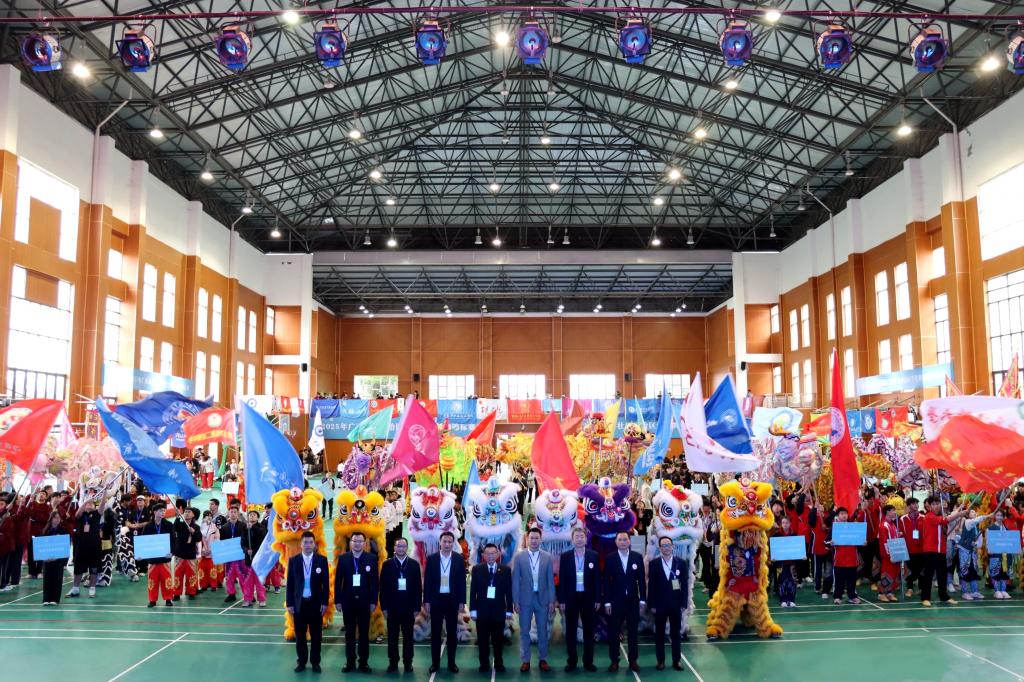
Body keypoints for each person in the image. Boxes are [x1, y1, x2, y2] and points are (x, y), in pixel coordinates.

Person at [511, 527, 555, 672]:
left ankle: (543, 659)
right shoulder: (519, 557)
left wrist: (552, 600)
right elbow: (515, 581)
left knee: (543, 630)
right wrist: (515, 601)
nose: (534, 540)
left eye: (537, 538)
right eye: (532, 538)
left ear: (540, 540)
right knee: (524, 631)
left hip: (542, 599)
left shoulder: (547, 557)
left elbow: (550, 581)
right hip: (525, 600)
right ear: (527, 539)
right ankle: (525, 660)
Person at [335, 531, 379, 673]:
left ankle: (363, 662)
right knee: (349, 633)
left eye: (360, 541)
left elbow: (374, 583)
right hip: (347, 601)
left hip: (365, 602)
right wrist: (338, 600)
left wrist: (373, 601)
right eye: (354, 541)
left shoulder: (371, 558)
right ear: (350, 543)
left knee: (364, 633)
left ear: (364, 543)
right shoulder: (343, 558)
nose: (357, 543)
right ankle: (350, 661)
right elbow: (338, 581)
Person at [557, 527, 600, 673]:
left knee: (589, 630)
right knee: (571, 631)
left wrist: (597, 598)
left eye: (582, 536)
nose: (580, 539)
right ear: (572, 539)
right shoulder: (565, 556)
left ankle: (588, 661)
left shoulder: (594, 555)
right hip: (571, 598)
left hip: (588, 598)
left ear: (586, 539)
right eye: (577, 536)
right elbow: (562, 580)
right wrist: (562, 600)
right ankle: (572, 661)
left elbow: (597, 579)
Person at [424, 530, 467, 673]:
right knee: (436, 633)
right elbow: (428, 581)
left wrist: (462, 601)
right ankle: (435, 663)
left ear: (453, 543)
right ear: (440, 543)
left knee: (452, 633)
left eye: (450, 542)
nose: (447, 544)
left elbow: (462, 582)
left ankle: (451, 663)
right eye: (445, 541)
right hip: (436, 600)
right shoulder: (432, 559)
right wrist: (427, 601)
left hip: (452, 600)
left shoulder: (459, 559)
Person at [603, 530, 645, 673]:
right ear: (616, 542)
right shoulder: (610, 558)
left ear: (629, 541)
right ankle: (614, 660)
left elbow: (641, 580)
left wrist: (642, 600)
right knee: (614, 632)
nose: (622, 542)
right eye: (620, 539)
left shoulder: (637, 557)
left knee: (633, 632)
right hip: (615, 602)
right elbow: (606, 582)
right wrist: (607, 602)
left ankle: (633, 660)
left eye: (625, 539)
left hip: (633, 601)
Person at [288, 531, 330, 673]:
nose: (308, 545)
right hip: (299, 604)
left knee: (316, 636)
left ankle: (315, 662)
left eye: (311, 542)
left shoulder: (321, 560)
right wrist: (290, 603)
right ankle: (301, 662)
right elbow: (290, 584)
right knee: (300, 636)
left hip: (316, 604)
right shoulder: (293, 561)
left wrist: (325, 603)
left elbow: (325, 584)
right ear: (301, 544)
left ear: (314, 544)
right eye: (305, 542)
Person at [469, 543, 513, 674]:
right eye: (487, 553)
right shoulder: (477, 569)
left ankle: (499, 663)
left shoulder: (505, 570)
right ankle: (484, 664)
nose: (490, 556)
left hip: (499, 611)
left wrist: (509, 610)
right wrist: (473, 610)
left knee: (498, 640)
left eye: (493, 553)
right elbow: (473, 591)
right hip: (482, 611)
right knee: (483, 641)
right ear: (483, 555)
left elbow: (509, 592)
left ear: (498, 554)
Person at [380, 537, 422, 672]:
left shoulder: (414, 565)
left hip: (409, 608)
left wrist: (417, 607)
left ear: (407, 548)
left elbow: (418, 588)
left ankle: (408, 662)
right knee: (392, 637)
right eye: (398, 546)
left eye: (403, 546)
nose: (400, 548)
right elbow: (383, 588)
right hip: (392, 608)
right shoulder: (387, 565)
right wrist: (384, 607)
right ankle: (393, 662)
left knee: (408, 637)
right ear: (394, 548)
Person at [647, 536, 688, 671]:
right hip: (659, 605)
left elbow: (684, 585)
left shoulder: (681, 563)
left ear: (672, 546)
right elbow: (651, 586)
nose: (666, 547)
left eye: (668, 545)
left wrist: (683, 603)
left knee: (675, 633)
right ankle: (661, 661)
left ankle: (676, 660)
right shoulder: (654, 564)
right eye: (663, 545)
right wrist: (652, 604)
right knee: (659, 634)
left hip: (676, 605)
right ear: (660, 548)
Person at [920, 497, 968, 607]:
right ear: (929, 506)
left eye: (938, 503)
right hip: (930, 550)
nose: (936, 506)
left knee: (942, 575)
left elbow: (947, 519)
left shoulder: (939, 516)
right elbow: (945, 520)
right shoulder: (929, 517)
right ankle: (925, 597)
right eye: (934, 504)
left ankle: (944, 596)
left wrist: (959, 510)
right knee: (928, 575)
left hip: (941, 550)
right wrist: (959, 514)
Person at [142, 503, 176, 607]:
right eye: (161, 510)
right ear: (154, 512)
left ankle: (168, 599)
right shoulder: (148, 526)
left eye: (164, 510)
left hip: (165, 559)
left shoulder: (169, 525)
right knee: (152, 581)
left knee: (167, 580)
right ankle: (152, 600)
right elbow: (143, 541)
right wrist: (141, 554)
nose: (163, 512)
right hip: (152, 560)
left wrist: (172, 552)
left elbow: (173, 540)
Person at [67, 498, 102, 599]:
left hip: (94, 546)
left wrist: (105, 492)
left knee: (94, 568)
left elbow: (102, 504)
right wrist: (86, 501)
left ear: (95, 507)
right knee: (78, 568)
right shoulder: (81, 515)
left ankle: (92, 588)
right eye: (87, 503)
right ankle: (75, 588)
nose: (89, 504)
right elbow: (77, 514)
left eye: (92, 503)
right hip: (81, 545)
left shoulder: (97, 514)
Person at [956, 508, 990, 601]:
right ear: (967, 515)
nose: (974, 513)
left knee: (973, 571)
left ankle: (974, 591)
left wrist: (976, 544)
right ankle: (965, 592)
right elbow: (975, 521)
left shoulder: (977, 528)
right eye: (972, 512)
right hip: (964, 551)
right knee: (964, 571)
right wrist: (987, 516)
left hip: (973, 553)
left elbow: (980, 543)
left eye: (975, 512)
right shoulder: (968, 522)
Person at [830, 507, 859, 605]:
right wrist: (830, 542)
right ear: (838, 516)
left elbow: (859, 540)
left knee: (852, 580)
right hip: (839, 560)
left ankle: (852, 597)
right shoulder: (834, 527)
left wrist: (863, 542)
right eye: (841, 513)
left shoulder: (853, 527)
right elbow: (826, 541)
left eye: (845, 513)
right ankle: (837, 597)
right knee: (839, 581)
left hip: (852, 559)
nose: (844, 515)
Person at [172, 506, 202, 601]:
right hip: (179, 554)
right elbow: (174, 528)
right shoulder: (180, 525)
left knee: (191, 576)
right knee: (178, 575)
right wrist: (177, 517)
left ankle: (191, 592)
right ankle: (176, 594)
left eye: (189, 512)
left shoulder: (196, 527)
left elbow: (199, 538)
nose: (186, 513)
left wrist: (194, 532)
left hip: (190, 555)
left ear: (193, 515)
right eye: (185, 512)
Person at [40, 510, 69, 605]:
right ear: (51, 519)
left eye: (58, 518)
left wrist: (59, 558)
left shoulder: (63, 531)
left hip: (58, 560)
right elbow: (41, 545)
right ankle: (46, 599)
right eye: (55, 517)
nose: (57, 519)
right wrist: (44, 557)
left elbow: (65, 547)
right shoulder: (45, 530)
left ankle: (55, 599)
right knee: (47, 579)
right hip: (47, 560)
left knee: (57, 579)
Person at [899, 497, 925, 597]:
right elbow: (900, 534)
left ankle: (921, 588)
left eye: (917, 503)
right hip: (908, 549)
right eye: (913, 504)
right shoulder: (903, 519)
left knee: (921, 569)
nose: (916, 505)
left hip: (921, 549)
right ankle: (909, 588)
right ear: (909, 506)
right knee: (909, 570)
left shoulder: (923, 517)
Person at [241, 510, 268, 607]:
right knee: (248, 581)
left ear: (257, 517)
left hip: (259, 559)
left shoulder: (261, 527)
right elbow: (242, 543)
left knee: (259, 581)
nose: (252, 516)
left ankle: (262, 599)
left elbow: (263, 539)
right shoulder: (245, 528)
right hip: (248, 559)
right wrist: (246, 550)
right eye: (250, 515)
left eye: (254, 515)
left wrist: (252, 528)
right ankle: (248, 599)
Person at [220, 505, 245, 603]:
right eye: (231, 512)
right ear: (228, 514)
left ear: (238, 514)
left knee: (243, 576)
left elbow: (246, 540)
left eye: (235, 512)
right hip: (229, 555)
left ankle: (248, 594)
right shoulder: (224, 527)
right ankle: (231, 594)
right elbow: (222, 542)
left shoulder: (243, 526)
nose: (233, 514)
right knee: (229, 576)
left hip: (240, 555)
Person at [878, 504, 903, 602]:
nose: (895, 512)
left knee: (893, 574)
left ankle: (889, 592)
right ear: (887, 512)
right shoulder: (883, 526)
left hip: (895, 554)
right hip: (888, 556)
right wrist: (889, 555)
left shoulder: (892, 525)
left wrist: (899, 535)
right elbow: (884, 542)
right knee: (886, 574)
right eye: (893, 510)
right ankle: (881, 593)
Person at [987, 509, 1012, 599]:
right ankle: (997, 591)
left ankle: (1003, 590)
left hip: (1005, 555)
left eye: (1001, 515)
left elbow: (1010, 541)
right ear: (994, 516)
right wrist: (989, 549)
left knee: (1005, 572)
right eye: (997, 515)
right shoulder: (990, 528)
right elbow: (988, 542)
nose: (999, 517)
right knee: (995, 572)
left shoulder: (1006, 528)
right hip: (995, 554)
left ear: (1003, 517)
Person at [198, 510, 222, 591]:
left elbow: (217, 539)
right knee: (202, 569)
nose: (208, 517)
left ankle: (213, 585)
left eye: (210, 516)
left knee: (212, 569)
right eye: (206, 516)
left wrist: (211, 550)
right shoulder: (200, 527)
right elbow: (197, 540)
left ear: (212, 517)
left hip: (211, 553)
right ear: (203, 518)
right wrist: (201, 550)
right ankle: (203, 585)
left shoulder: (215, 527)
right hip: (202, 553)